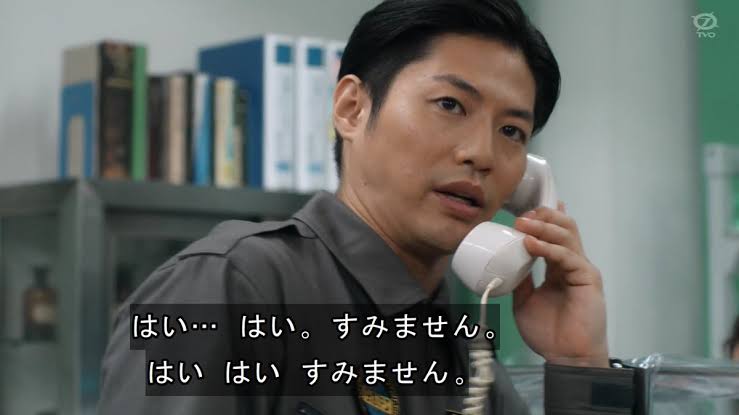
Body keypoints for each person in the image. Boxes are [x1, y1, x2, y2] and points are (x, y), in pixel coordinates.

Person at [99, 0, 640, 413]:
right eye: (450, 105)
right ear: (352, 109)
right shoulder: (230, 285)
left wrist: (578, 363)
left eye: (512, 132)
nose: (481, 153)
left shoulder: (459, 348)